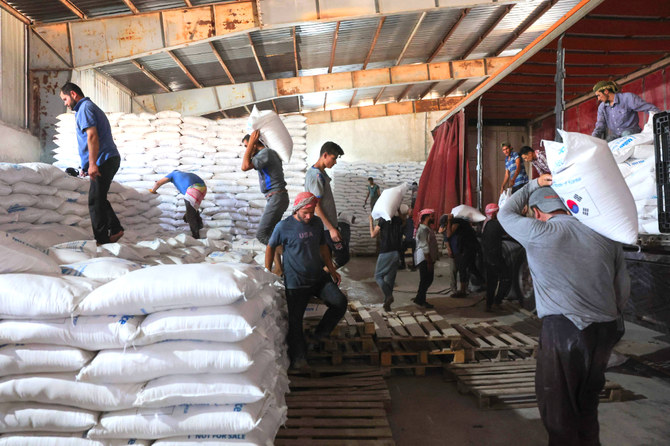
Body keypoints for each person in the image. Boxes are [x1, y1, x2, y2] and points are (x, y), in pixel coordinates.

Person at [498, 174, 629, 445]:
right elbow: (622, 288)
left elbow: (505, 213)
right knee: (587, 405)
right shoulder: (604, 234)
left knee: (558, 409)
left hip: (564, 332)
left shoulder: (538, 232)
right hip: (604, 332)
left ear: (537, 212)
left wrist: (535, 184)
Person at [266, 192, 348, 371]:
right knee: (295, 321)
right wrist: (268, 270)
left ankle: (319, 335)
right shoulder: (283, 226)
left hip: (318, 278)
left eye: (312, 212)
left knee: (340, 302)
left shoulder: (317, 223)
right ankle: (299, 358)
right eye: (305, 212)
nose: (309, 216)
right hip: (296, 283)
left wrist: (332, 269)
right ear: (297, 209)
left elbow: (323, 247)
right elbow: (271, 247)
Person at [59, 82, 123, 246]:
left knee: (94, 200)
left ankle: (102, 241)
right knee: (99, 197)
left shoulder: (85, 108)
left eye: (65, 99)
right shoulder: (86, 108)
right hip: (107, 158)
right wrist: (86, 167)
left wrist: (93, 164)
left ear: (73, 94)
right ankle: (115, 229)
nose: (65, 104)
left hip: (104, 159)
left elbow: (92, 136)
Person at [241, 130, 289, 245]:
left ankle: (291, 256)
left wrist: (252, 142)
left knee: (262, 235)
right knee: (272, 234)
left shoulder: (266, 153)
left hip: (276, 197)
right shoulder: (264, 154)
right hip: (277, 197)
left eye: (246, 146)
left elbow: (245, 166)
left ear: (255, 143)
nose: (246, 149)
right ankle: (279, 262)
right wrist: (251, 145)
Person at [305, 141, 349, 268]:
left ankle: (326, 281)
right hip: (324, 228)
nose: (335, 162)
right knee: (343, 256)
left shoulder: (321, 173)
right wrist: (331, 229)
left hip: (327, 226)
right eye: (333, 158)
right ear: (325, 155)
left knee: (327, 258)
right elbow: (316, 205)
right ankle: (322, 277)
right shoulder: (316, 176)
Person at [591, 80, 659, 142]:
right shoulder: (602, 107)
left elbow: (649, 108)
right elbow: (600, 126)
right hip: (617, 136)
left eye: (599, 95)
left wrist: (661, 119)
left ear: (606, 91)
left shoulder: (627, 98)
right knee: (607, 141)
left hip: (631, 133)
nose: (598, 99)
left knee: (626, 134)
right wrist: (592, 140)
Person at [150, 170, 206, 239]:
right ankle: (200, 227)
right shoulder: (182, 174)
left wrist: (153, 191)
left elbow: (158, 183)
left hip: (193, 189)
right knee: (192, 210)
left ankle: (196, 236)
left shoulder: (172, 174)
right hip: (203, 187)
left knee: (189, 215)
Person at [369, 209, 403, 312]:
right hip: (396, 253)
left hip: (386, 252)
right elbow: (403, 220)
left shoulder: (382, 220)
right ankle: (386, 305)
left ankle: (389, 296)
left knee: (378, 276)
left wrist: (370, 221)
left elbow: (373, 234)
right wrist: (398, 210)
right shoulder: (398, 219)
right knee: (390, 280)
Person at [440, 213, 480, 298]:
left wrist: (450, 221)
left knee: (463, 268)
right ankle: (484, 284)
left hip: (469, 247)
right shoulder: (458, 223)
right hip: (466, 247)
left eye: (446, 225)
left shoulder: (456, 222)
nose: (447, 227)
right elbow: (446, 237)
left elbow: (448, 234)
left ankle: (463, 291)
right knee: (472, 268)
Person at [481, 203, 507, 312]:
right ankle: (497, 301)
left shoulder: (486, 224)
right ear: (495, 213)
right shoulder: (495, 225)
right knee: (506, 278)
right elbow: (508, 233)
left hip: (487, 257)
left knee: (491, 282)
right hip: (495, 258)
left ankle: (489, 305)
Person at [412, 209, 438, 309]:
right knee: (426, 280)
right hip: (424, 258)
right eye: (432, 216)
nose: (433, 218)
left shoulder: (427, 228)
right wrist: (429, 262)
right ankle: (421, 300)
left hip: (426, 258)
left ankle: (419, 298)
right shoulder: (423, 229)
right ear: (426, 217)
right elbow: (424, 246)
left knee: (426, 280)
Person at [399, 205, 414, 270]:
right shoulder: (406, 220)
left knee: (415, 251)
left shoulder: (414, 221)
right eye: (410, 211)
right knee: (401, 250)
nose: (411, 212)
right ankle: (403, 264)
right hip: (407, 239)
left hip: (412, 239)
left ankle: (414, 265)